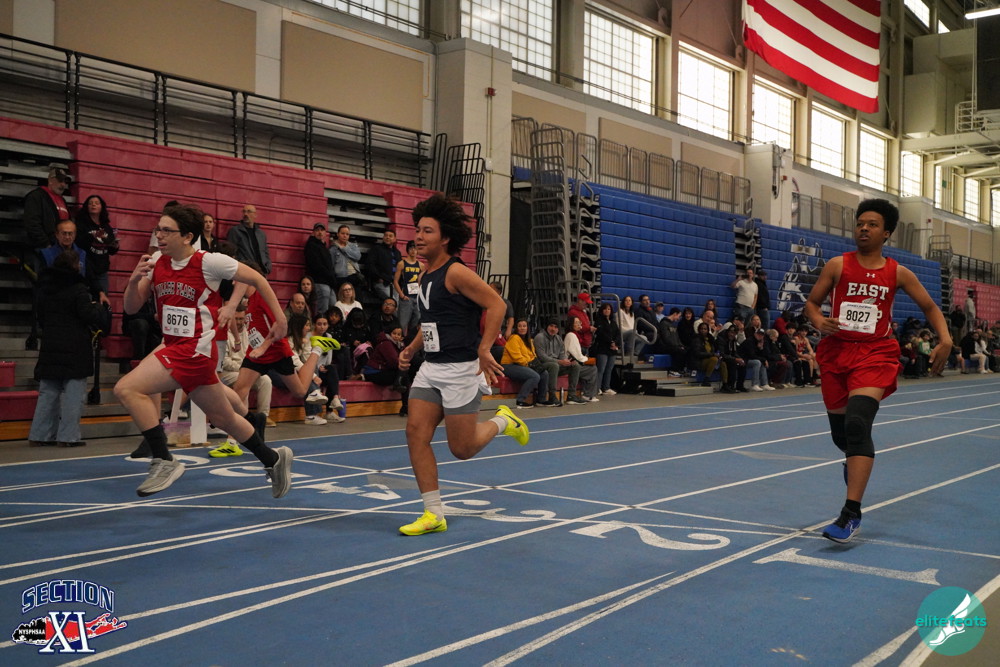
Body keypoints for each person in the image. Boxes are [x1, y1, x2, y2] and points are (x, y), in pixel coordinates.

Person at [114, 205, 298, 498]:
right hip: (175, 346)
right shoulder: (158, 261)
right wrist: (134, 280)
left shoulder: (209, 262)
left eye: (167, 231)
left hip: (195, 350)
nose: (159, 235)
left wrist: (280, 318)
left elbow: (257, 279)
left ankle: (163, 459)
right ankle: (273, 459)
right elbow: (131, 307)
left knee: (126, 388)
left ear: (187, 236)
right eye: (158, 229)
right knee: (225, 418)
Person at [804, 198, 951, 544]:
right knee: (843, 437)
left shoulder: (898, 272)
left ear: (886, 233)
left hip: (875, 354)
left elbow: (930, 306)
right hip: (837, 354)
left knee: (857, 423)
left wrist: (945, 339)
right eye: (860, 223)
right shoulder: (838, 265)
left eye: (872, 225)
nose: (864, 229)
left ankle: (850, 513)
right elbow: (812, 303)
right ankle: (854, 461)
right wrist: (819, 321)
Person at [397, 193, 529, 536]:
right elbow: (432, 321)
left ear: (445, 238)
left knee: (462, 449)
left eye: (427, 231)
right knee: (415, 433)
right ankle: (433, 513)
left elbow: (497, 305)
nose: (418, 236)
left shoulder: (456, 272)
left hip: (460, 370)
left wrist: (485, 348)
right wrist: (412, 348)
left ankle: (504, 420)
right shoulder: (425, 274)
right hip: (432, 368)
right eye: (417, 230)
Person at [27, 250, 104, 447]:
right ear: (75, 266)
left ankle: (40, 434)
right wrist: (97, 307)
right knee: (73, 394)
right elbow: (87, 315)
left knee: (48, 393)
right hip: (75, 346)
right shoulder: (78, 288)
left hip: (50, 345)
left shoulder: (45, 288)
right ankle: (68, 436)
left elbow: (41, 317)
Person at [212, 303, 275, 456]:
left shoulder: (249, 333)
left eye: (242, 319)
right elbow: (224, 361)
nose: (240, 322)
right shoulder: (224, 333)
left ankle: (262, 418)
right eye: (237, 319)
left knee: (266, 380)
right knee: (243, 384)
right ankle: (243, 425)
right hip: (227, 372)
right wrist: (242, 368)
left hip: (243, 369)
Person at [24, 164, 72, 350]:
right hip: (41, 251)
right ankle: (37, 330)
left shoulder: (61, 200)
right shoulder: (36, 197)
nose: (63, 185)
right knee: (42, 290)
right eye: (59, 181)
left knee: (56, 290)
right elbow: (32, 223)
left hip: (58, 252)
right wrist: (46, 245)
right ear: (50, 180)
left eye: (65, 182)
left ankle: (52, 327)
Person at [74, 195, 119, 299]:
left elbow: (111, 250)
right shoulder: (81, 224)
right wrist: (92, 236)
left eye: (96, 203)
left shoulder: (106, 226)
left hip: (102, 269)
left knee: (103, 300)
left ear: (101, 207)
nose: (93, 205)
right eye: (90, 203)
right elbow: (78, 243)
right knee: (86, 298)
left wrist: (115, 246)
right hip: (86, 267)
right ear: (86, 207)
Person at [501, 319, 550, 408]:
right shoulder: (514, 338)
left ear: (527, 328)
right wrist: (529, 365)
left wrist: (535, 364)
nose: (522, 328)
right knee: (534, 376)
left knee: (544, 373)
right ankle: (520, 400)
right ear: (516, 328)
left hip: (523, 364)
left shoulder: (529, 340)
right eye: (520, 326)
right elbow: (517, 357)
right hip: (509, 365)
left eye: (524, 326)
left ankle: (541, 400)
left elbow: (532, 356)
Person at [226, 203, 272, 275]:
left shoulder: (261, 234)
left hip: (261, 272)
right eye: (244, 211)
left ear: (255, 215)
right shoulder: (235, 231)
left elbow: (265, 252)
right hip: (245, 272)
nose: (245, 214)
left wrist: (268, 267)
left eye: (249, 211)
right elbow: (230, 252)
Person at [304, 223, 337, 316]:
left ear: (325, 232)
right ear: (313, 232)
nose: (320, 232)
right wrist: (331, 277)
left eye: (322, 230)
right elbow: (317, 266)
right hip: (320, 282)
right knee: (323, 311)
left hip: (328, 282)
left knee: (333, 309)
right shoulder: (311, 246)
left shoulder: (323, 246)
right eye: (317, 230)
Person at [564, 316, 600, 401]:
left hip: (574, 363)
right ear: (571, 324)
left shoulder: (574, 335)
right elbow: (576, 355)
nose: (579, 324)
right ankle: (588, 395)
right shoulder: (571, 335)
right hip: (570, 365)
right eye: (576, 322)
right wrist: (587, 359)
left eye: (579, 322)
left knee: (591, 367)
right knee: (592, 369)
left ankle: (587, 393)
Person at [393, 240, 424, 337]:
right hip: (406, 297)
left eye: (415, 248)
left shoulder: (421, 265)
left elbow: (423, 282)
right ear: (407, 250)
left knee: (416, 323)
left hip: (417, 297)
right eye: (411, 248)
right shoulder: (402, 263)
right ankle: (401, 342)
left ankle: (411, 342)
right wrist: (401, 295)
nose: (413, 250)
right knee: (403, 323)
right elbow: (395, 281)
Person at [592, 303, 620, 395]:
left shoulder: (613, 322)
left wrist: (615, 343)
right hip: (602, 348)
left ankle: (606, 387)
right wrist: (610, 342)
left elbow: (618, 334)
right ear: (602, 310)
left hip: (612, 349)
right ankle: (598, 388)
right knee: (601, 369)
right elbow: (601, 334)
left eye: (609, 309)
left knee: (609, 369)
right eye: (605, 309)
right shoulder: (599, 321)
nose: (607, 311)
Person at [367, 228, 401, 300]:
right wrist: (378, 278)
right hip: (382, 283)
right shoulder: (376, 249)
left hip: (395, 284)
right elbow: (370, 265)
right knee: (392, 301)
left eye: (390, 236)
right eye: (386, 235)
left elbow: (400, 269)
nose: (387, 237)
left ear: (395, 239)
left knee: (398, 302)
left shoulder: (397, 253)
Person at [330, 223, 362, 290]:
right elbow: (331, 265)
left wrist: (344, 248)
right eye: (343, 233)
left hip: (354, 276)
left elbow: (357, 257)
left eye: (347, 234)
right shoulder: (333, 249)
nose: (345, 236)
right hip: (341, 277)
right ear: (338, 234)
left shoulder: (353, 246)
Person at [616, 295, 636, 360]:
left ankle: (635, 353)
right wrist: (631, 331)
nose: (628, 302)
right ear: (623, 302)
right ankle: (628, 354)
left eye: (629, 300)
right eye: (626, 300)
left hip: (631, 332)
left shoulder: (632, 313)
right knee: (632, 332)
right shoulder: (620, 311)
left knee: (644, 338)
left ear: (632, 302)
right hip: (622, 333)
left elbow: (632, 325)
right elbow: (619, 326)